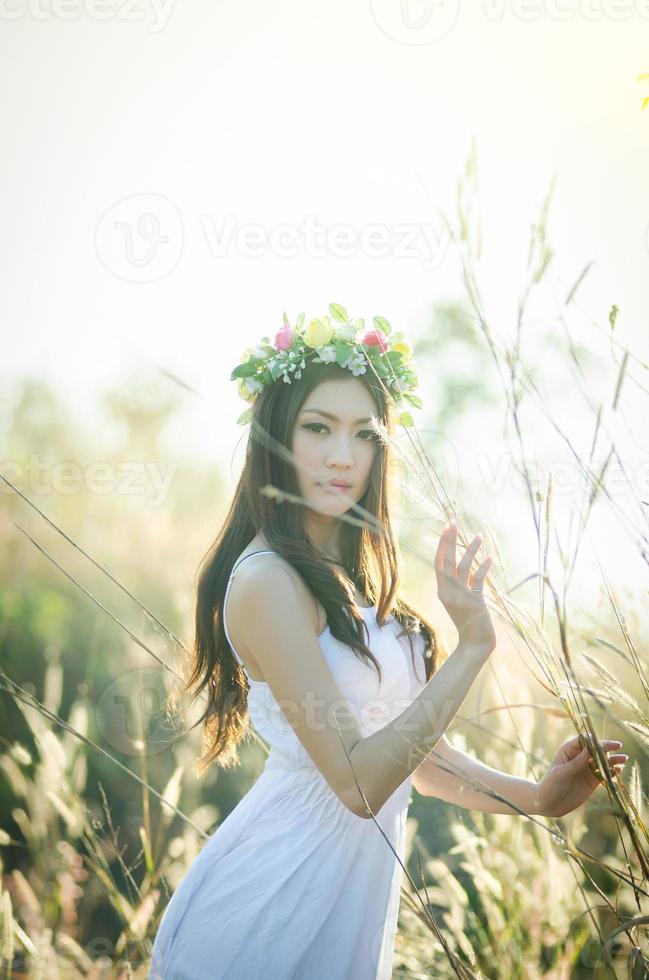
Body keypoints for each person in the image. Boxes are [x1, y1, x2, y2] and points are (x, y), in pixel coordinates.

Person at [148, 305, 627, 979]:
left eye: (363, 434)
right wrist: (469, 649)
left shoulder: (349, 579)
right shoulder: (267, 582)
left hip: (345, 908)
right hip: (267, 913)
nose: (342, 455)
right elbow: (360, 784)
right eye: (316, 429)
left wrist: (537, 798)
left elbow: (413, 761)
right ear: (275, 439)